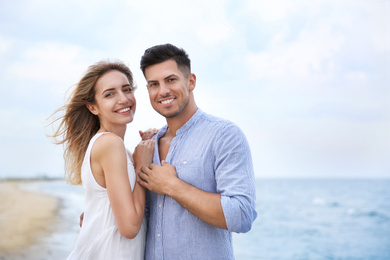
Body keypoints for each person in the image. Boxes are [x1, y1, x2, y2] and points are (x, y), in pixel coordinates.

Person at [137, 44, 258, 260]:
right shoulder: (149, 145)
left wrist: (172, 186)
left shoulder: (224, 135)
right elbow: (141, 216)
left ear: (191, 81)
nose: (163, 90)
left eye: (171, 80)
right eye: (154, 84)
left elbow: (241, 215)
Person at [49, 61, 155, 259]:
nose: (123, 98)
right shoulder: (110, 145)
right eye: (110, 94)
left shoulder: (114, 147)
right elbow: (130, 227)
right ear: (93, 107)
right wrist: (142, 167)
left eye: (127, 89)